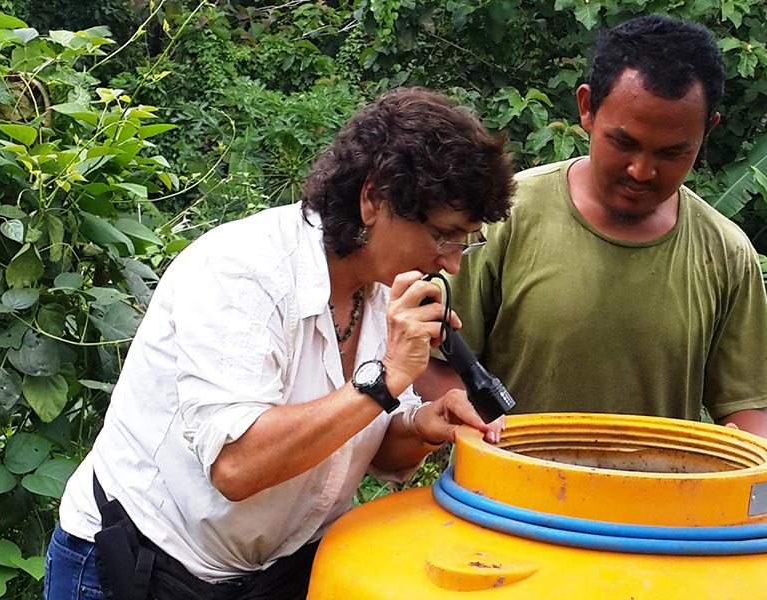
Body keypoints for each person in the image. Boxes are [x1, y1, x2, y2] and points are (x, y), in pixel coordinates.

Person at [45, 88, 514, 599]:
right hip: (133, 566)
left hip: (272, 574)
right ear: (374, 198)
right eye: (444, 236)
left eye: (465, 241)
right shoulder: (242, 272)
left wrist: (420, 425)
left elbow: (371, 445)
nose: (451, 262)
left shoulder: (382, 288)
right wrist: (388, 377)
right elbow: (238, 466)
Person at [416, 15, 767, 439]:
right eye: (624, 142)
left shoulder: (726, 254)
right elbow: (432, 366)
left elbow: (749, 410)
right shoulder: (504, 218)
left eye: (672, 152)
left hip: (657, 501)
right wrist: (480, 428)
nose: (642, 171)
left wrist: (747, 470)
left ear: (707, 131)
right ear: (587, 108)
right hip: (505, 500)